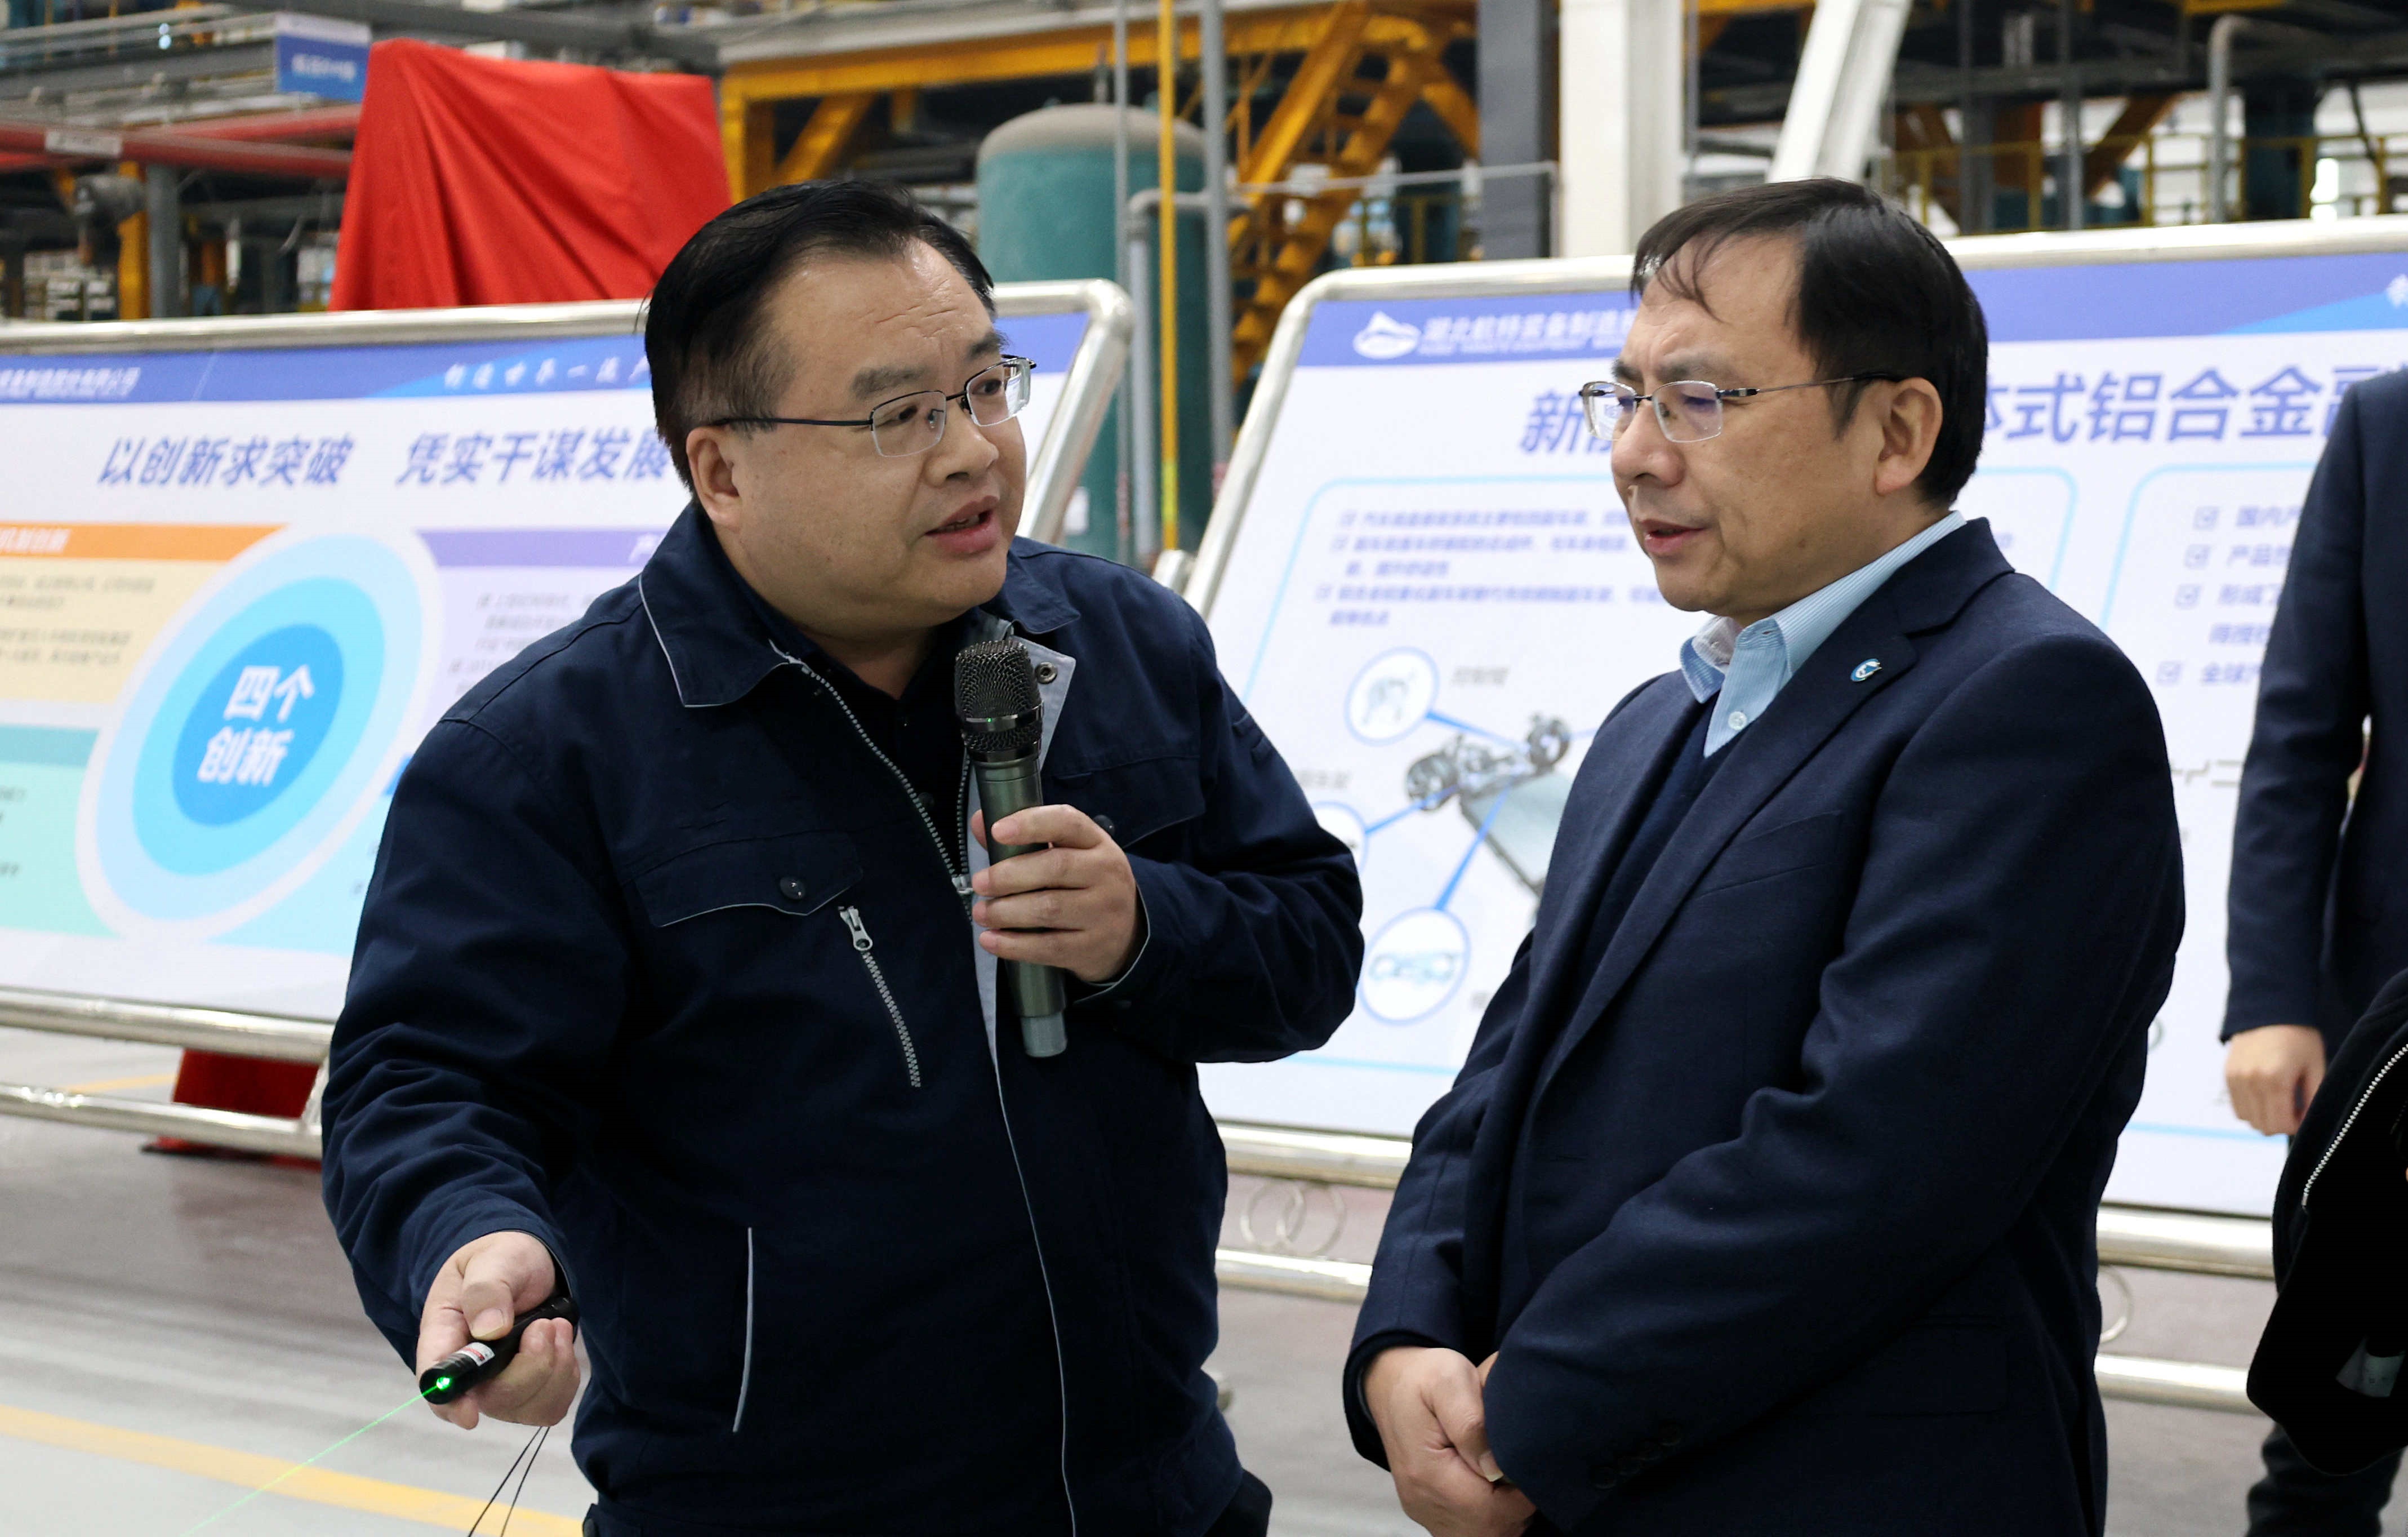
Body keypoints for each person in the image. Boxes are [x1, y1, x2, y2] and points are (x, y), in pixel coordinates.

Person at [319, 180, 1363, 1537]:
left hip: (1149, 1482)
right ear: (722, 470)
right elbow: (426, 1079)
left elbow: (1308, 941)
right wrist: (467, 1233)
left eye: (984, 386)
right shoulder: (548, 756)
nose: (971, 450)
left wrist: (1142, 928)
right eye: (896, 415)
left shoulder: (1119, 645)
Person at [1343, 177, 2184, 1537]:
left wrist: (1529, 1412)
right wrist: (1404, 1336)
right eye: (1623, 397)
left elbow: (1876, 1158)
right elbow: (1504, 1073)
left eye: (1698, 400)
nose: (1634, 453)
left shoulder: (2026, 703)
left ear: (1896, 430)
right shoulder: (1655, 719)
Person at [2222, 367, 2408, 1533]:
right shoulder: (2387, 428)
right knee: (2329, 1439)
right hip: (2393, 1044)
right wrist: (2271, 996)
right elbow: (2299, 735)